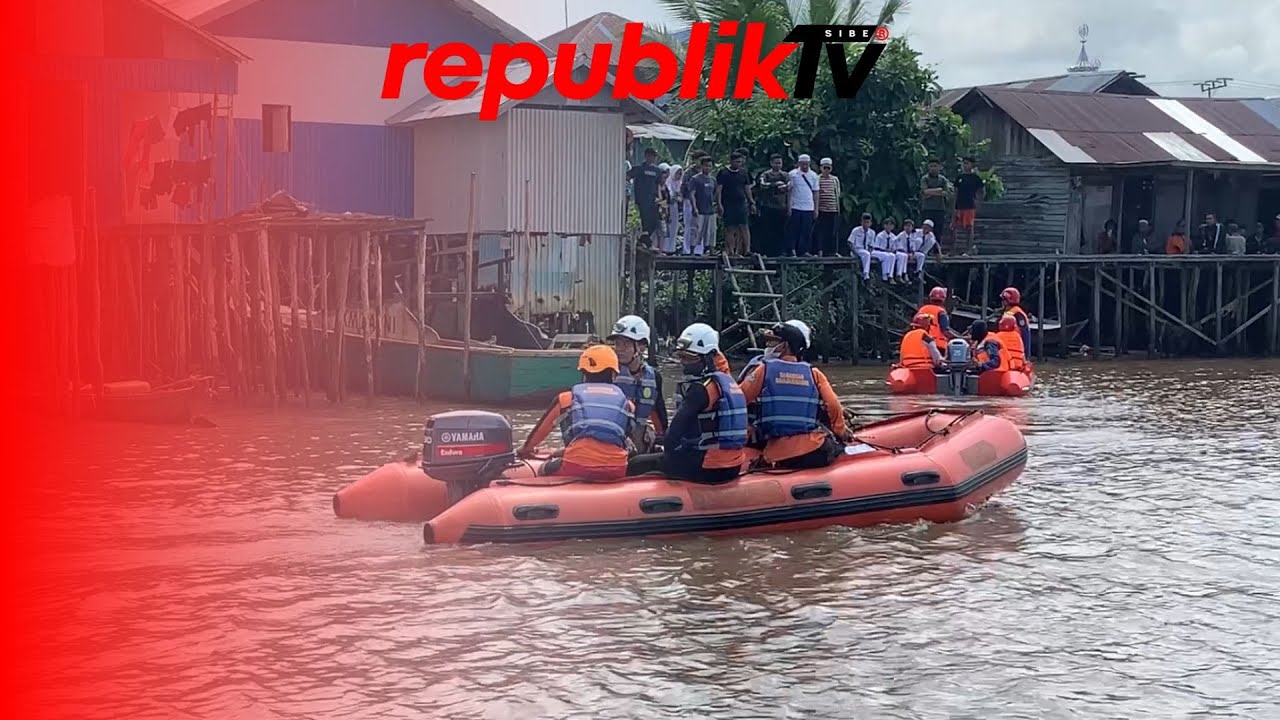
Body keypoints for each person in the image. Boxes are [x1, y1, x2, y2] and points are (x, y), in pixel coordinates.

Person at [631, 323, 747, 484]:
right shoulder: (728, 383)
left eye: (689, 358)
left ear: (707, 358)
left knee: (637, 463)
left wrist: (666, 454)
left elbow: (674, 434)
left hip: (709, 467)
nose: (684, 362)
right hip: (733, 465)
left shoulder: (700, 390)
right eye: (682, 357)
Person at [738, 322, 849, 469]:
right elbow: (834, 405)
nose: (768, 345)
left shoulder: (763, 370)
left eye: (772, 341)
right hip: (814, 450)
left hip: (777, 453)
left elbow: (738, 399)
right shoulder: (814, 373)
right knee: (838, 447)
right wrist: (840, 431)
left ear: (784, 346)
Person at [517, 345, 635, 480]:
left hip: (576, 466)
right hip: (617, 469)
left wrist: (525, 450)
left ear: (583, 372)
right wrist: (558, 452)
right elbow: (618, 441)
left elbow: (540, 432)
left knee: (543, 469)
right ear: (614, 373)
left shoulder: (566, 399)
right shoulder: (628, 405)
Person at [607, 314, 667, 454]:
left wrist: (664, 443)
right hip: (612, 440)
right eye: (617, 343)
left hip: (637, 440)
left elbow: (659, 417)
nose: (619, 349)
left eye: (625, 344)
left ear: (641, 346)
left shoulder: (654, 377)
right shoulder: (607, 373)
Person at [716, 152, 755, 256]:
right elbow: (719, 189)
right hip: (728, 204)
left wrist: (751, 201)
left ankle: (747, 250)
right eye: (737, 162)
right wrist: (719, 204)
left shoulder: (743, 173)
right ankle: (731, 251)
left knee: (744, 227)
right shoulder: (723, 173)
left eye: (741, 162)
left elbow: (747, 188)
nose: (739, 164)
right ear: (731, 161)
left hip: (741, 203)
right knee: (730, 228)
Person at [755, 154, 790, 256]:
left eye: (779, 163)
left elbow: (789, 185)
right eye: (776, 163)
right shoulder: (765, 174)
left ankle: (779, 252)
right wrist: (775, 185)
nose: (778, 165)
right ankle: (766, 252)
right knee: (767, 230)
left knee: (780, 231)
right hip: (768, 207)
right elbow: (762, 185)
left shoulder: (785, 175)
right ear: (771, 163)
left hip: (781, 207)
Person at [627, 147, 662, 243]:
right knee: (643, 222)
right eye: (651, 156)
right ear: (646, 156)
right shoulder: (640, 169)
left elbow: (659, 184)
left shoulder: (657, 171)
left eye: (654, 156)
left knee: (653, 222)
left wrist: (659, 198)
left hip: (653, 200)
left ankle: (645, 239)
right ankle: (642, 240)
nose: (653, 158)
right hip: (641, 200)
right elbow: (628, 176)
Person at [786, 154, 819, 256]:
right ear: (799, 163)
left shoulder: (814, 175)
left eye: (807, 164)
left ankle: (804, 251)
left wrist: (816, 209)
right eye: (803, 164)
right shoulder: (792, 174)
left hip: (808, 207)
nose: (805, 166)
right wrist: (789, 207)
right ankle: (791, 250)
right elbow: (789, 191)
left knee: (806, 231)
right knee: (793, 230)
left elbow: (816, 192)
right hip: (795, 206)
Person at [919, 158, 953, 251]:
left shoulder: (943, 179)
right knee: (926, 230)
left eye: (935, 166)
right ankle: (925, 249)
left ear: (939, 167)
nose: (933, 168)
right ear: (928, 167)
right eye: (931, 166)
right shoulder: (925, 178)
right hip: (927, 208)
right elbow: (924, 192)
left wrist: (931, 192)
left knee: (938, 231)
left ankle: (937, 251)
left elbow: (946, 193)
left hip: (940, 209)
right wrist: (939, 190)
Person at [952, 157, 984, 254]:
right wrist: (953, 206)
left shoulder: (976, 178)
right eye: (964, 163)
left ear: (972, 165)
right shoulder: (959, 177)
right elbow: (955, 192)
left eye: (967, 163)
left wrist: (978, 201)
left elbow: (982, 190)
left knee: (969, 228)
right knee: (954, 228)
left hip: (970, 206)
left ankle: (969, 249)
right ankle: (953, 250)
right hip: (959, 205)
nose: (965, 166)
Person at [687, 155, 718, 256]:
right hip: (699, 210)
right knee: (696, 231)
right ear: (702, 166)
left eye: (709, 166)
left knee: (711, 232)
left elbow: (715, 193)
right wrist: (694, 207)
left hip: (710, 210)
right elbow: (692, 194)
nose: (708, 168)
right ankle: (692, 250)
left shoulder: (713, 180)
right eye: (706, 166)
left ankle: (711, 250)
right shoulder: (695, 179)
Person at [814, 157, 842, 256]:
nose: (826, 170)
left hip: (833, 209)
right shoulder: (817, 179)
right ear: (821, 168)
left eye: (828, 168)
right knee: (821, 231)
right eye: (824, 168)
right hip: (821, 209)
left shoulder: (835, 179)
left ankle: (833, 251)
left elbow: (837, 193)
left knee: (833, 232)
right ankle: (820, 250)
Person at [1000, 287, 1032, 356]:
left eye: (1003, 300)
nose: (1002, 302)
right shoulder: (1008, 312)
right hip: (1007, 347)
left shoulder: (1018, 314)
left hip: (1015, 348)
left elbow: (1025, 334)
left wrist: (1026, 355)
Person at [847, 212, 874, 280]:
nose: (866, 224)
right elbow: (850, 242)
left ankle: (866, 273)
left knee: (868, 254)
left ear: (870, 223)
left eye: (868, 222)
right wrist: (855, 253)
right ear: (861, 222)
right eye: (864, 222)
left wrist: (870, 252)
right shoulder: (856, 230)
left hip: (866, 251)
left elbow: (871, 245)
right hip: (857, 250)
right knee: (866, 254)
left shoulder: (872, 232)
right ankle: (866, 274)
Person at [871, 217, 898, 282]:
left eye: (891, 225)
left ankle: (890, 275)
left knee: (892, 256)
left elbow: (894, 248)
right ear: (884, 226)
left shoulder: (893, 237)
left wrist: (891, 250)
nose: (889, 226)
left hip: (887, 253)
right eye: (887, 224)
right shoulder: (880, 235)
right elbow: (876, 247)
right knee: (886, 256)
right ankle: (884, 275)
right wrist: (885, 250)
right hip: (876, 252)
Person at [891, 218, 914, 284]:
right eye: (906, 226)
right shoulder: (901, 235)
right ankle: (899, 274)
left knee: (906, 256)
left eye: (909, 226)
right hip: (898, 252)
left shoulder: (912, 236)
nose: (907, 227)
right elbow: (899, 247)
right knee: (903, 256)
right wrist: (907, 253)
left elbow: (912, 247)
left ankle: (904, 274)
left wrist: (912, 253)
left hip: (906, 253)